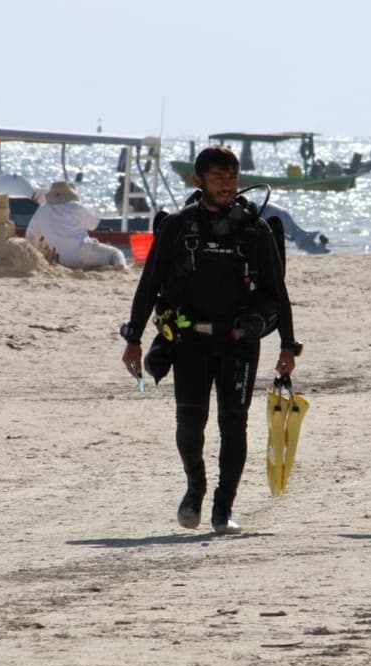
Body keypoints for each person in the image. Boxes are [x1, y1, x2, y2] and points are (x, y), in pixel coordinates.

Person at [120, 146, 300, 534]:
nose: (227, 185)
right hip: (189, 341)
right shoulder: (177, 227)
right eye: (218, 177)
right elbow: (149, 283)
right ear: (198, 180)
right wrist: (133, 338)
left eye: (232, 177)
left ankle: (224, 507)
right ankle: (195, 487)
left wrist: (288, 344)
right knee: (190, 423)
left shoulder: (255, 230)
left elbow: (277, 290)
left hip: (238, 342)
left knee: (233, 424)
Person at [24, 181, 126, 269]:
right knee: (115, 253)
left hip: (61, 259)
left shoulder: (42, 210)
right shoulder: (75, 207)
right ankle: (121, 267)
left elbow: (31, 236)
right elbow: (93, 225)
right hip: (83, 252)